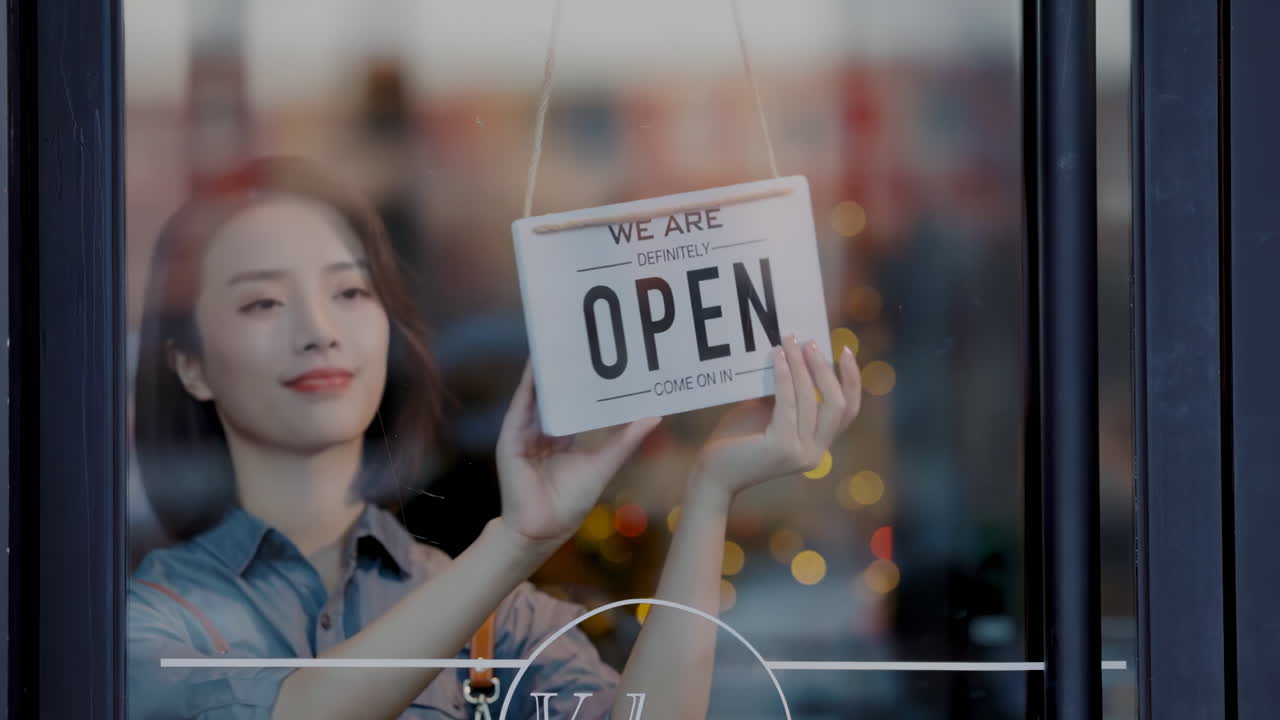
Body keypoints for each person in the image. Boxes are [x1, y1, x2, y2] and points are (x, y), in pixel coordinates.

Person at [128, 156, 863, 719]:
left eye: (350, 292)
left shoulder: (495, 615)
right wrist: (515, 542)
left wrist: (711, 492)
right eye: (261, 301)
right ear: (189, 363)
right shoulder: (141, 616)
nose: (318, 331)